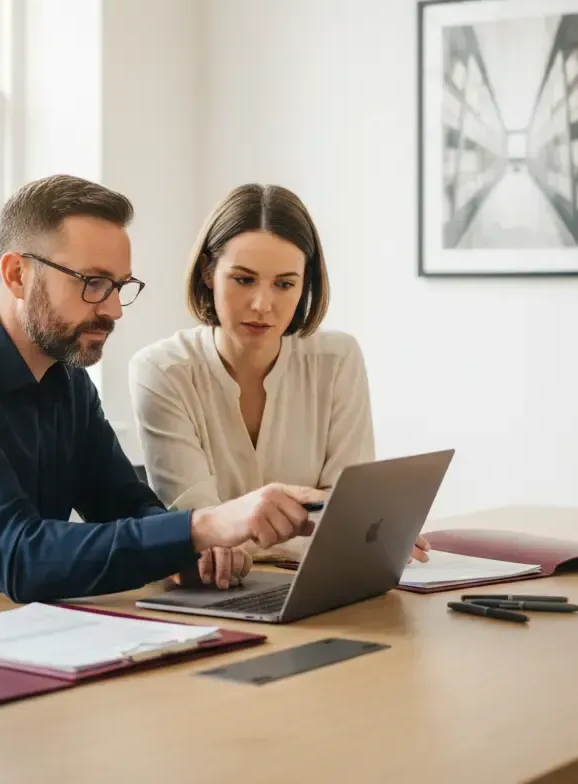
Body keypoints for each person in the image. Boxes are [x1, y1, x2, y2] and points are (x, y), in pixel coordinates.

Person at [0, 174, 322, 620]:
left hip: (4, 634)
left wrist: (194, 550)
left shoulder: (65, 380)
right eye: (92, 283)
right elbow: (21, 557)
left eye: (119, 286)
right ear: (17, 274)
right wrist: (203, 526)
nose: (112, 310)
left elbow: (125, 506)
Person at [129, 183, 430, 566]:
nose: (262, 305)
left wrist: (351, 528)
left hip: (321, 584)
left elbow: (351, 512)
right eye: (243, 279)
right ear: (208, 272)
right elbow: (200, 536)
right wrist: (332, 527)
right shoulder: (161, 371)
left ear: (305, 284)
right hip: (214, 599)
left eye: (285, 284)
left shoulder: (338, 358)